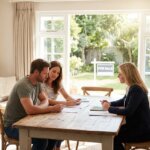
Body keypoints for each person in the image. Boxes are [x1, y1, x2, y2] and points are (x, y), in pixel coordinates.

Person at [4, 59, 64, 150]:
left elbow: (45, 100)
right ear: (36, 72)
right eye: (45, 73)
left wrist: (37, 108)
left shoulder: (38, 83)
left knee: (53, 135)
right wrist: (51, 109)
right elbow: (30, 110)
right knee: (42, 140)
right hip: (13, 126)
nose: (47, 76)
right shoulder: (23, 85)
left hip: (28, 121)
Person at [101, 62, 150, 150]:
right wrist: (110, 103)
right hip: (137, 126)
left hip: (141, 131)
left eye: (120, 74)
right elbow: (123, 100)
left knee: (112, 137)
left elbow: (128, 111)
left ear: (127, 74)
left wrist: (109, 108)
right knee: (112, 133)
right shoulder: (131, 87)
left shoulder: (136, 89)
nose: (118, 76)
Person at [42, 60, 81, 150]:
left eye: (58, 73)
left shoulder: (57, 83)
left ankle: (57, 147)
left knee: (64, 126)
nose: (55, 75)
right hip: (44, 111)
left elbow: (66, 96)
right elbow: (47, 101)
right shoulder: (42, 83)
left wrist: (75, 101)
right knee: (58, 129)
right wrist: (67, 103)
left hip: (54, 111)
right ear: (48, 70)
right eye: (53, 71)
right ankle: (54, 147)